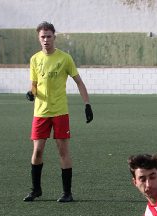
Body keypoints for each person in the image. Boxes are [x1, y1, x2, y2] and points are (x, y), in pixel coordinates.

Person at [23, 21, 93, 203]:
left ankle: (67, 193)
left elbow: (79, 82)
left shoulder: (64, 58)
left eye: (48, 36)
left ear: (54, 37)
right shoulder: (35, 59)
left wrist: (87, 104)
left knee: (63, 151)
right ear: (39, 39)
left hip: (60, 112)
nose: (46, 40)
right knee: (37, 152)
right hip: (40, 112)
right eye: (42, 37)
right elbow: (35, 84)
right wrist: (31, 93)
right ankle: (36, 190)